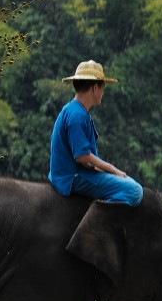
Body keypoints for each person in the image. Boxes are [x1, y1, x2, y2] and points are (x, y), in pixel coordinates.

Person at [48, 60, 144, 205]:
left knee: (128, 181)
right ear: (94, 88)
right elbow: (81, 156)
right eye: (102, 87)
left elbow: (85, 159)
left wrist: (106, 170)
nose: (102, 93)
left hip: (78, 172)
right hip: (71, 177)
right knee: (134, 191)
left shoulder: (76, 111)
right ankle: (98, 222)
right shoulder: (77, 116)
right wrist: (112, 168)